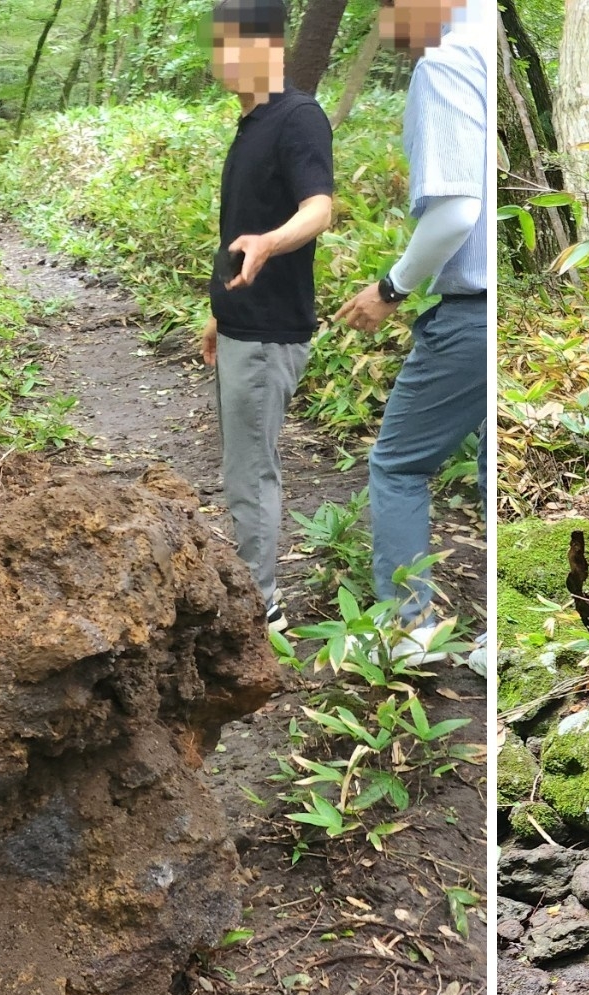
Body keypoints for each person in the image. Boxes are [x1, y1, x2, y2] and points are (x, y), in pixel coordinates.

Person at [334, 0, 491, 623]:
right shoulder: (488, 56)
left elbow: (456, 212)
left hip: (470, 316)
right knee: (490, 469)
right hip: (491, 315)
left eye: (389, 8)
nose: (386, 27)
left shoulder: (447, 63)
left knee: (398, 464)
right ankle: (491, 643)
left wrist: (391, 288)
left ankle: (405, 628)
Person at [205, 0, 336, 630]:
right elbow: (241, 227)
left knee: (251, 472)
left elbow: (318, 209)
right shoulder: (252, 122)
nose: (216, 60)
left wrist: (271, 243)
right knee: (242, 465)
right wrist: (220, 308)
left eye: (226, 45)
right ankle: (253, 593)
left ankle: (260, 607)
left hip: (267, 334)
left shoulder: (297, 117)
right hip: (240, 325)